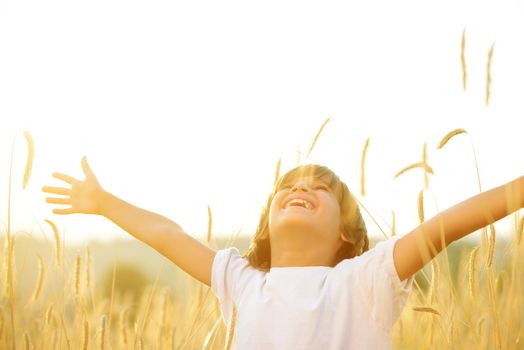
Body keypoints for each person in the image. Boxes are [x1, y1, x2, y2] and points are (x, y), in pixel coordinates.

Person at [42, 157, 524, 349]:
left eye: (319, 189)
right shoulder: (241, 280)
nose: (301, 189)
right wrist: (103, 203)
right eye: (289, 186)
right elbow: (167, 234)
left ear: (345, 234)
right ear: (267, 225)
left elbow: (449, 223)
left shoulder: (364, 280)